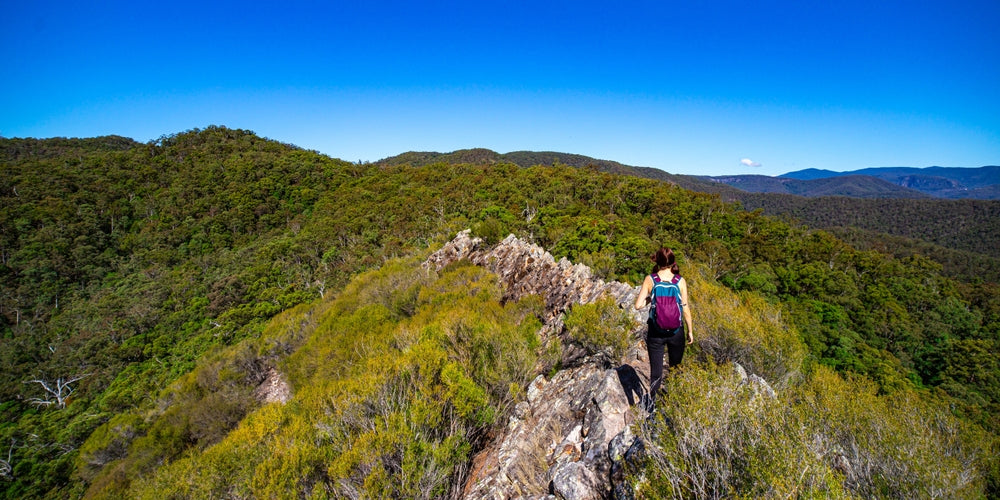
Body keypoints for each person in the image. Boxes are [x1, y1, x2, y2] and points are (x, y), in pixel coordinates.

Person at [633, 247, 693, 412]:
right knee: (676, 368)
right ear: (673, 262)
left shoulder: (650, 279)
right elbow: (685, 308)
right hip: (676, 332)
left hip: (655, 332)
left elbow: (638, 305)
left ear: (657, 261)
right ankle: (675, 403)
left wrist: (651, 299)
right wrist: (690, 331)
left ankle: (651, 407)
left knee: (656, 373)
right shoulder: (680, 281)